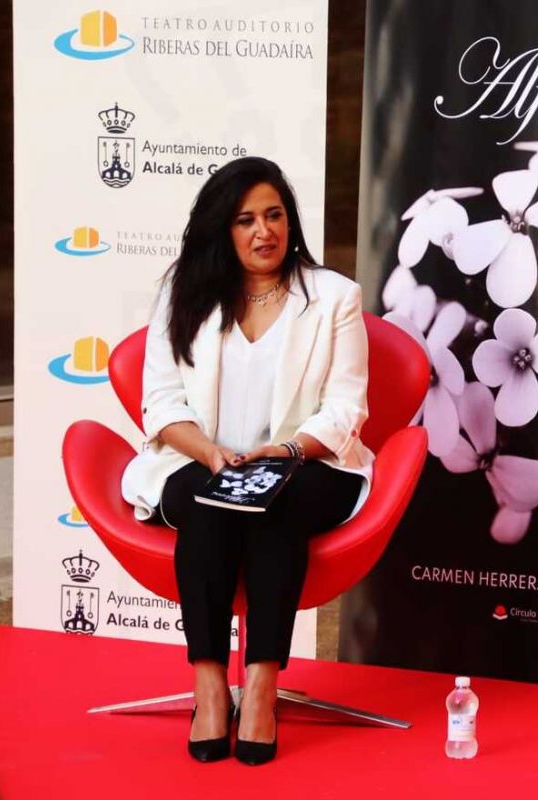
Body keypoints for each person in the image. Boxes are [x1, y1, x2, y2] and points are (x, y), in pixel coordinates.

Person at [121, 157, 374, 766]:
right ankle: (209, 683)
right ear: (222, 230)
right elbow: (159, 402)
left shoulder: (334, 297)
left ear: (290, 221)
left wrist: (285, 452)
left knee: (272, 504)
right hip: (199, 460)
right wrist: (210, 453)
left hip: (307, 465)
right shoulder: (182, 292)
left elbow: (346, 407)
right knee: (212, 506)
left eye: (274, 215)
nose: (264, 231)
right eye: (245, 220)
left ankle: (260, 683)